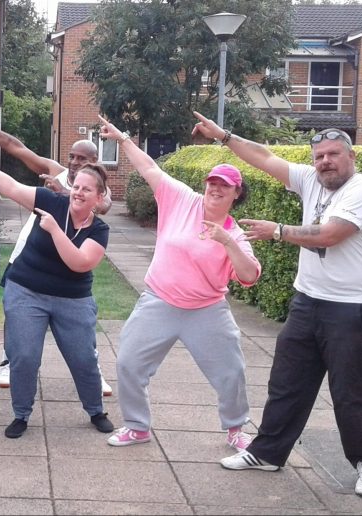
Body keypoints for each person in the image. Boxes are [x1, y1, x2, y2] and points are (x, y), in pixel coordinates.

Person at [192, 112, 362, 498]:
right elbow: (263, 157)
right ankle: (267, 453)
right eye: (319, 157)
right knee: (286, 383)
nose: (325, 162)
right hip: (307, 301)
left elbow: (330, 235)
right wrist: (224, 136)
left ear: (351, 157)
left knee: (351, 391)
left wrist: (278, 232)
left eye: (333, 154)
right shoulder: (311, 180)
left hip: (350, 309)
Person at [97, 116, 261, 452]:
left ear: (236, 193)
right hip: (159, 301)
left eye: (224, 186)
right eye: (212, 183)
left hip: (207, 310)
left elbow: (249, 275)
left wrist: (226, 242)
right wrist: (122, 137)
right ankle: (137, 427)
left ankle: (235, 429)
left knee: (231, 372)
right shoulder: (182, 200)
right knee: (128, 362)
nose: (215, 189)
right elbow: (149, 169)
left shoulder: (235, 234)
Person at [0, 144, 115, 438]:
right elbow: (10, 185)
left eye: (87, 190)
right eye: (76, 186)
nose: (78, 192)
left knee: (83, 358)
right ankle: (21, 415)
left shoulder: (99, 230)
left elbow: (79, 263)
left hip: (73, 298)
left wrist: (54, 230)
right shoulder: (50, 201)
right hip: (26, 289)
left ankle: (95, 410)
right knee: (24, 356)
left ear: (99, 197)